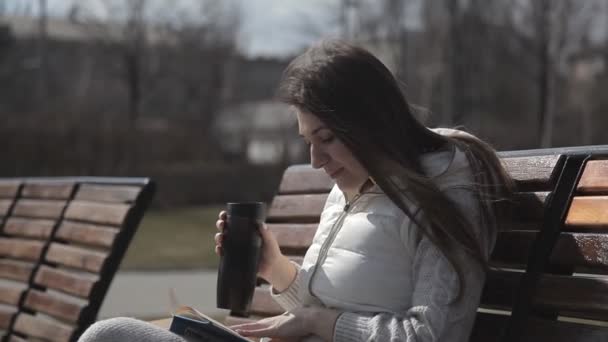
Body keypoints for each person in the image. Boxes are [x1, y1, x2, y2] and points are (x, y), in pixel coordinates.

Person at [78, 40, 512, 342]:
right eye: (307, 140)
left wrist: (321, 323)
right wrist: (275, 268)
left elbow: (433, 335)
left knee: (109, 336)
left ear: (371, 122)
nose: (315, 160)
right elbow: (324, 303)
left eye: (326, 138)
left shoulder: (447, 192)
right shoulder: (351, 186)